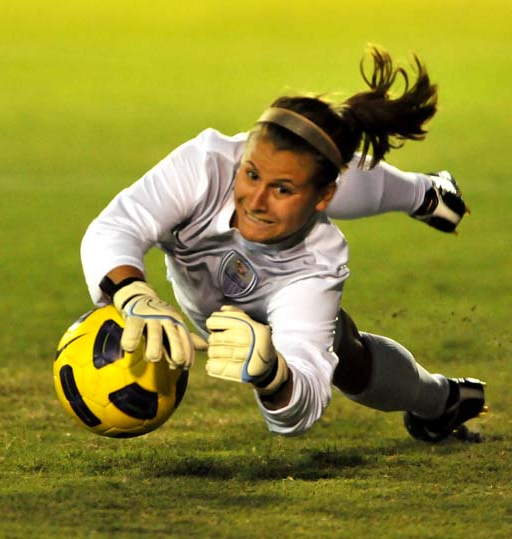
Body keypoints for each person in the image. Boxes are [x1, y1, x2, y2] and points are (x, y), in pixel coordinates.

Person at [80, 46, 487, 441]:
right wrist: (134, 294)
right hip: (282, 192)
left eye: (280, 189)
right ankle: (424, 194)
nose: (255, 201)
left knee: (347, 356)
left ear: (322, 198)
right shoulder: (207, 164)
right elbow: (115, 227)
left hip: (280, 297)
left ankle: (439, 398)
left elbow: (302, 406)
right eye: (251, 174)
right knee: (301, 163)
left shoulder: (316, 263)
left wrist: (273, 374)